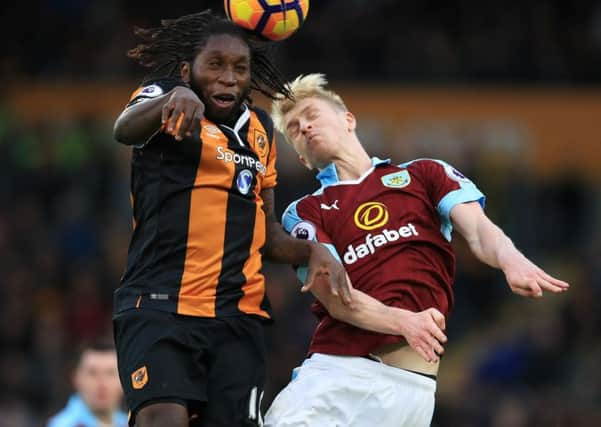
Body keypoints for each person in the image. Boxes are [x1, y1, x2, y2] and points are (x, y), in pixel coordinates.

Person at [263, 73, 570, 427]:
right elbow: (334, 297)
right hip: (341, 376)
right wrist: (404, 321)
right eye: (294, 129)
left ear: (348, 118)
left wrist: (510, 260)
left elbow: (480, 230)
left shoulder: (425, 174)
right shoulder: (304, 211)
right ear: (301, 159)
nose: (304, 128)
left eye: (311, 115)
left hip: (414, 393)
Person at [111, 10, 364, 427]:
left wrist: (313, 249)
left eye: (240, 68)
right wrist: (167, 101)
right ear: (185, 70)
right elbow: (124, 129)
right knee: (163, 419)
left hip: (238, 317)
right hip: (159, 307)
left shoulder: (261, 131)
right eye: (215, 65)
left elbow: (267, 235)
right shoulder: (166, 99)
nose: (228, 77)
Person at [47, 340, 127, 427]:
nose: (102, 384)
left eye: (110, 373)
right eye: (92, 373)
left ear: (124, 380)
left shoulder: (130, 423)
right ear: (76, 379)